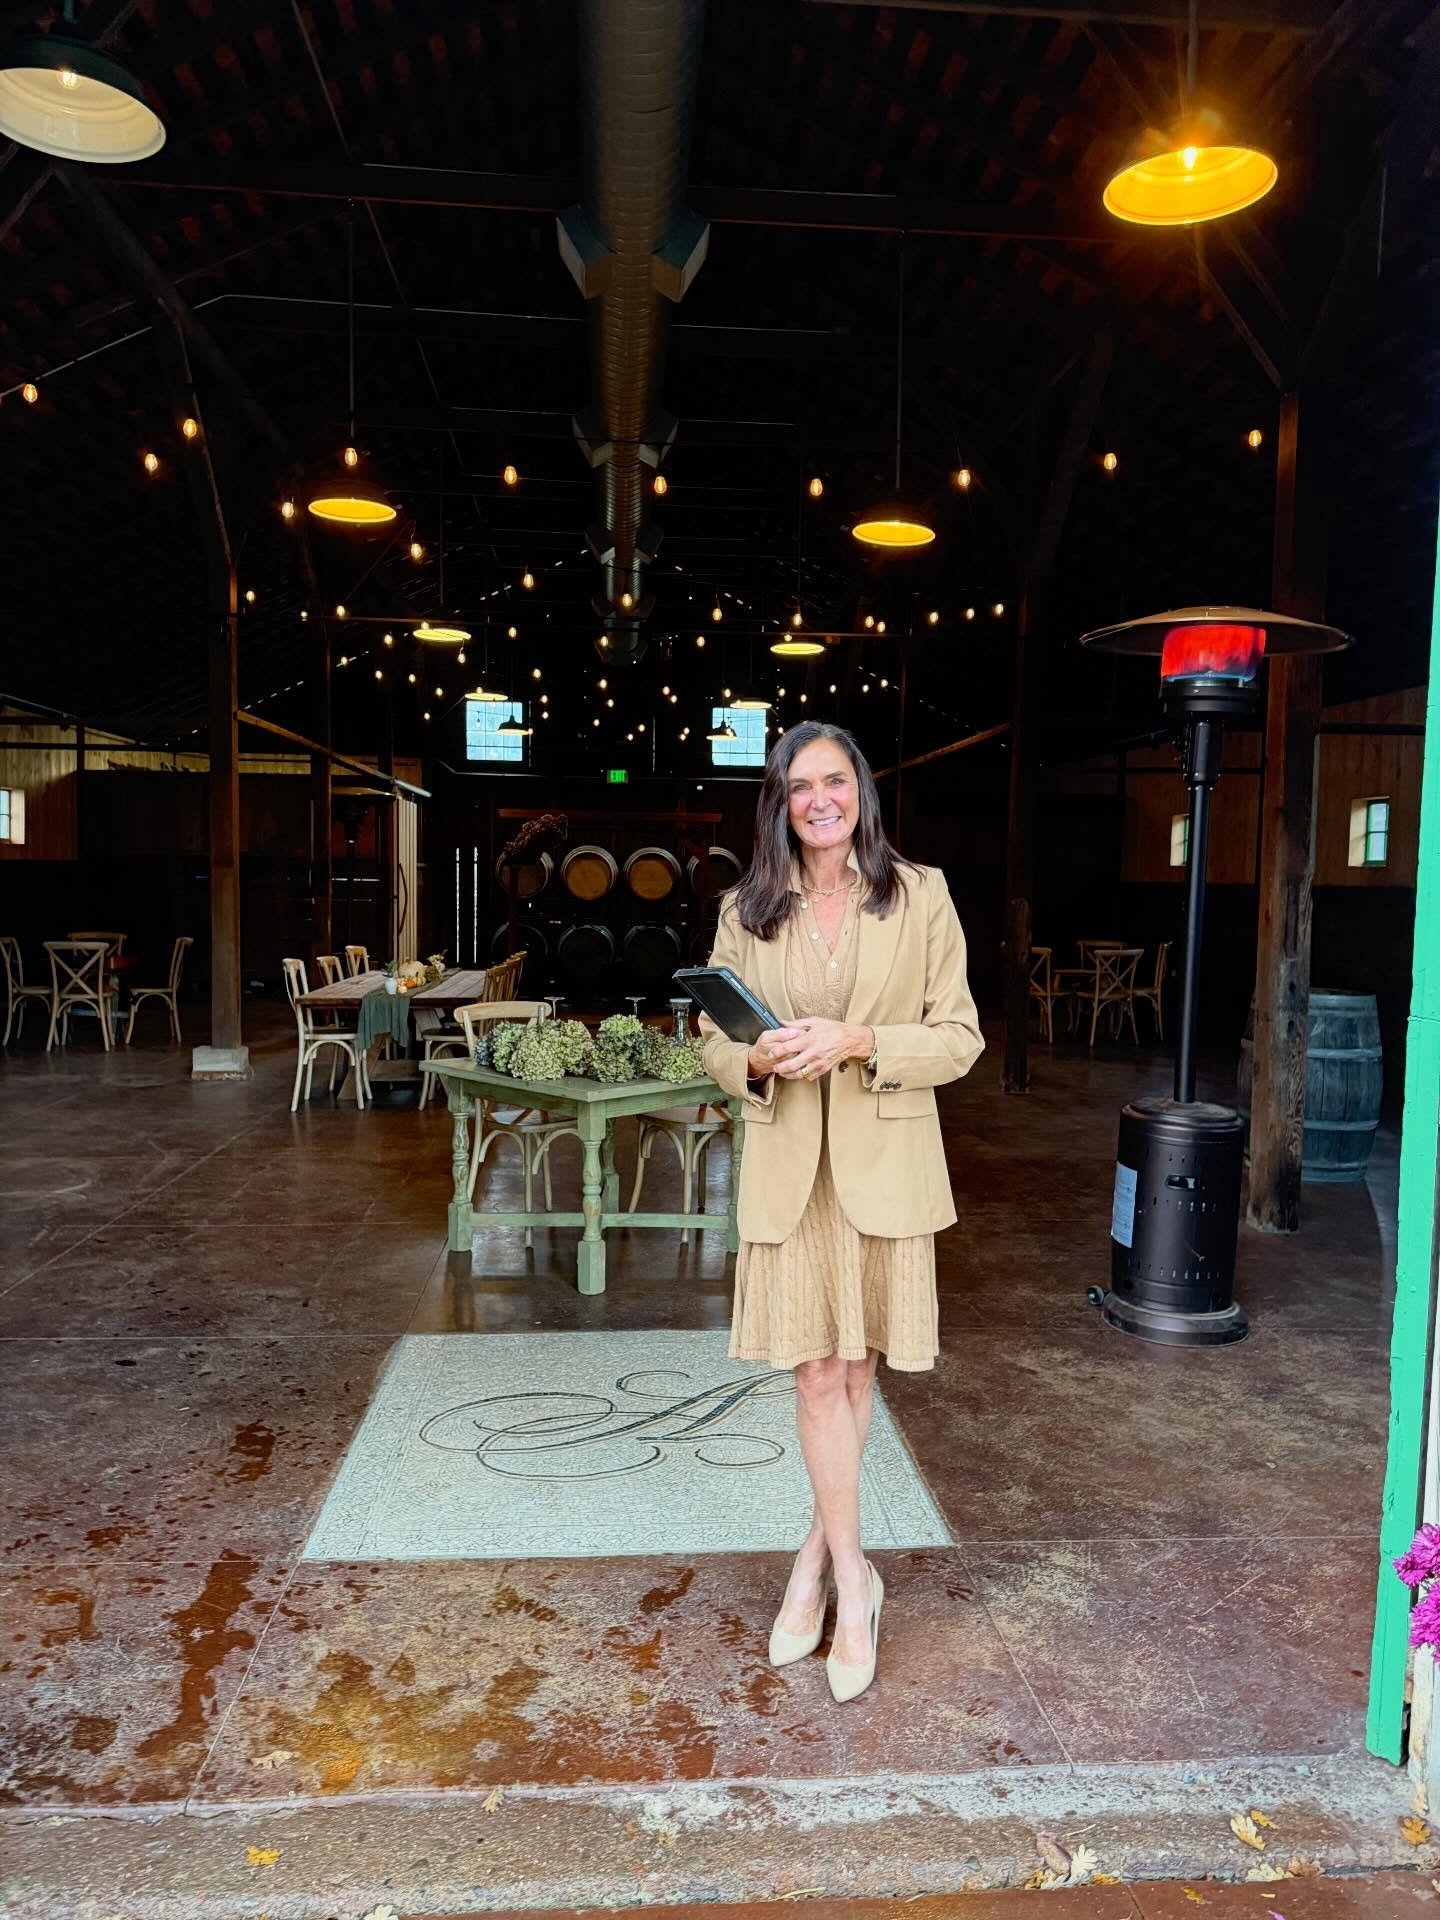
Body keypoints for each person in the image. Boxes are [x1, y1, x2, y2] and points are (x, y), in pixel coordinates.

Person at [699, 721, 983, 1704]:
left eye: (835, 779)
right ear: (778, 804)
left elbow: (959, 1039)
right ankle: (852, 1585)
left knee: (856, 1369)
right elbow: (710, 1035)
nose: (820, 798)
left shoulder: (922, 895)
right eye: (798, 786)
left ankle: (822, 1566)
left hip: (884, 1164)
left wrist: (862, 1038)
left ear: (861, 787)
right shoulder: (749, 906)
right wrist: (754, 1058)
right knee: (820, 1374)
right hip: (791, 1167)